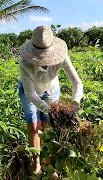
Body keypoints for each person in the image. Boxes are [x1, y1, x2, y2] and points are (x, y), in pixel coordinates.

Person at [17, 25, 84, 175]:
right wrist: (52, 110)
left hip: (51, 90)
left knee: (47, 126)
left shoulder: (61, 57)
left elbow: (77, 83)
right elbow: (31, 95)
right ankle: (37, 164)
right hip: (30, 91)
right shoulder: (25, 63)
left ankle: (49, 163)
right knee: (34, 125)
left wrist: (75, 103)